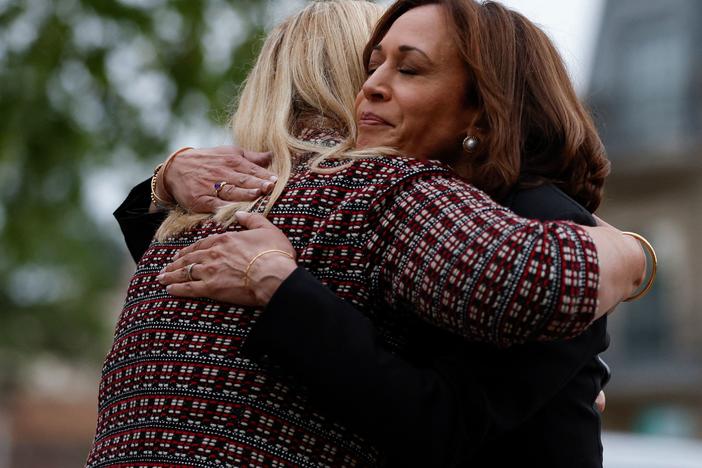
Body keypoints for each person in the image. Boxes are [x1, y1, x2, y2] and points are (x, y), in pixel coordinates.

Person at [97, 1, 650, 467]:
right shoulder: (329, 199)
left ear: (480, 109)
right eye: (371, 65)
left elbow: (448, 422)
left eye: (408, 69)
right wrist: (165, 178)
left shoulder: (524, 218)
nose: (374, 88)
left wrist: (635, 256)